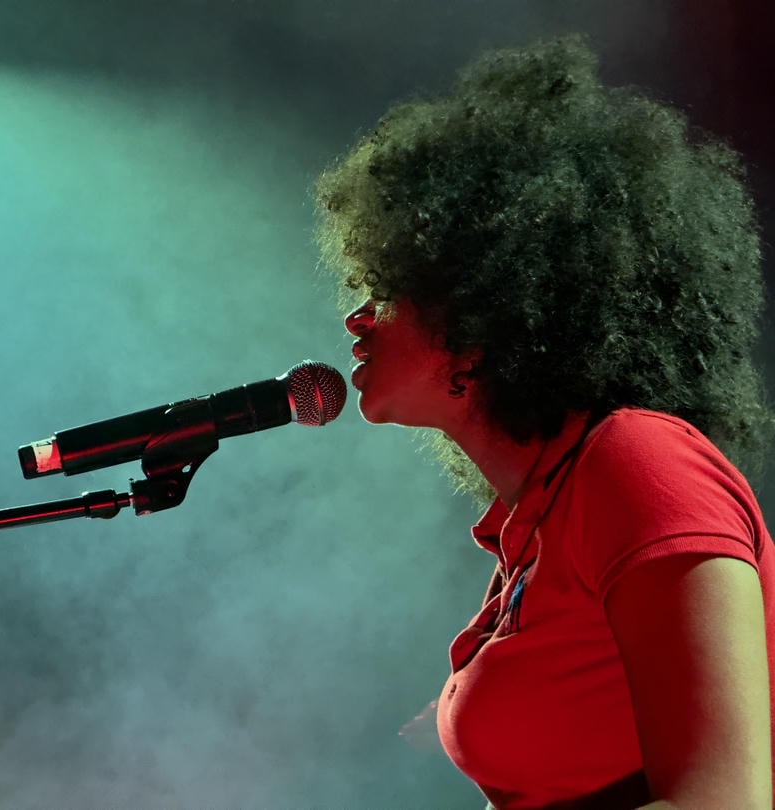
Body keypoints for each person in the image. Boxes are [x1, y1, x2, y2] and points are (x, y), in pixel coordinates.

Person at [314, 36, 775, 809]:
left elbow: (721, 801)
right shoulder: (539, 520)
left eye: (386, 288)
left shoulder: (638, 462)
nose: (356, 320)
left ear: (484, 308)